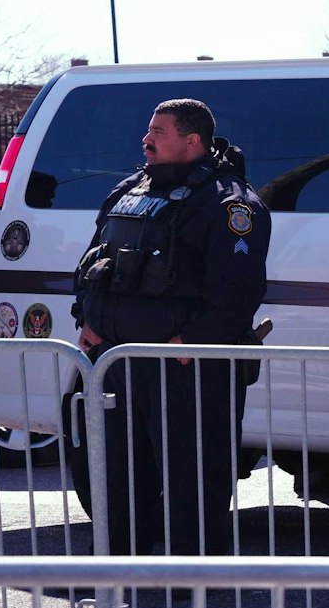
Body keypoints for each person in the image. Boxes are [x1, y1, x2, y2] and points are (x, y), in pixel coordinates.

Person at [71, 99, 270, 555]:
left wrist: (194, 341)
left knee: (192, 472)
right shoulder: (129, 191)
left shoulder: (228, 202)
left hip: (186, 364)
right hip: (119, 360)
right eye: (149, 130)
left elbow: (237, 290)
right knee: (120, 470)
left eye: (159, 132)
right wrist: (86, 318)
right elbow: (90, 265)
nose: (146, 140)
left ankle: (194, 577)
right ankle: (121, 568)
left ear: (192, 140)